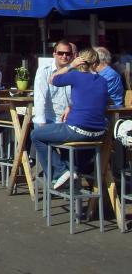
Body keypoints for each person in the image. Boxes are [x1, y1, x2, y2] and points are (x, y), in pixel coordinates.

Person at [31, 48, 108, 189]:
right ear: (95, 63)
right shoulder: (103, 81)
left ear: (79, 61)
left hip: (77, 130)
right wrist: (71, 106)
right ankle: (71, 171)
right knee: (69, 152)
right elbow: (90, 99)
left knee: (36, 135)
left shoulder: (76, 75)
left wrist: (70, 65)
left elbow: (52, 78)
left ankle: (60, 172)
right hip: (99, 134)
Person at [33, 40, 75, 127]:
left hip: (70, 120)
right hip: (49, 119)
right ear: (54, 54)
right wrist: (41, 122)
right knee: (35, 136)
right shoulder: (44, 70)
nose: (64, 56)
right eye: (61, 53)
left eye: (68, 53)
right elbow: (40, 97)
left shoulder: (75, 72)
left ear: (72, 56)